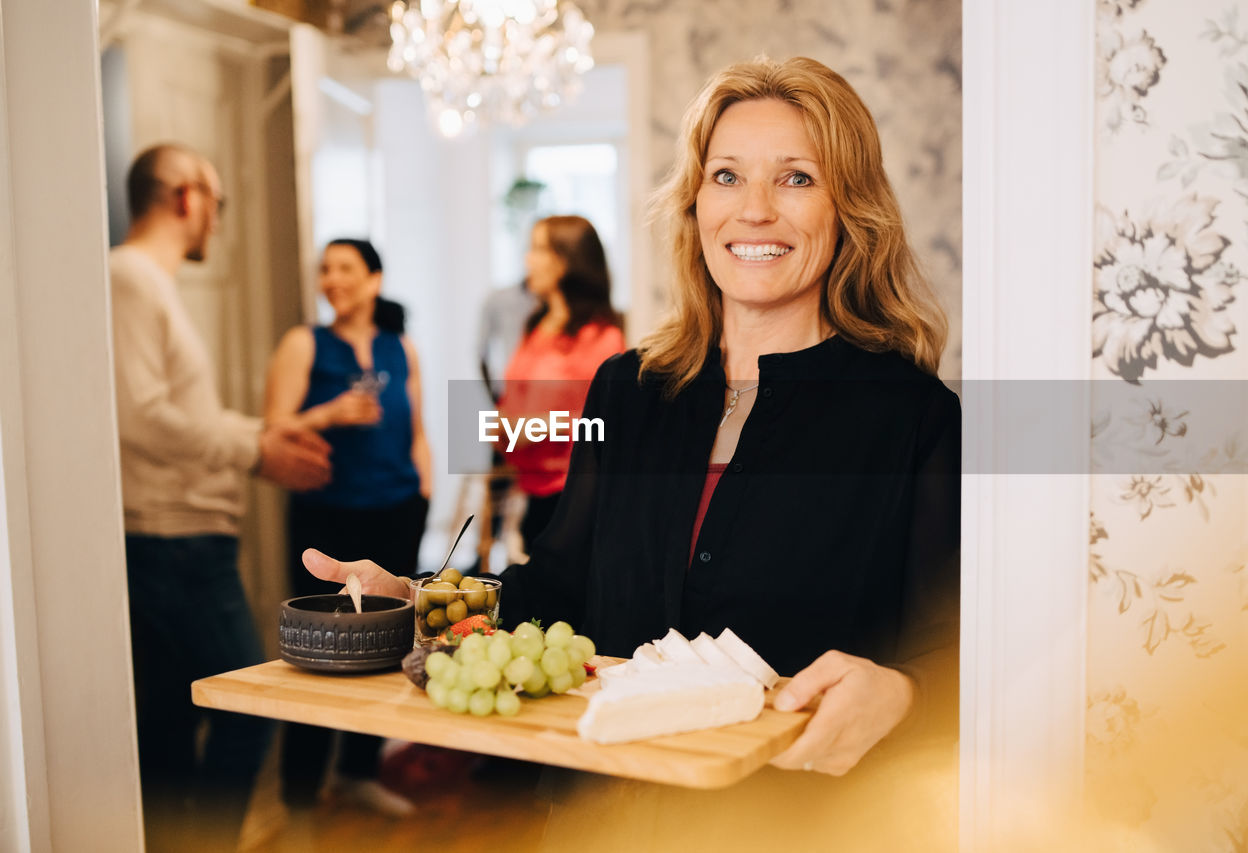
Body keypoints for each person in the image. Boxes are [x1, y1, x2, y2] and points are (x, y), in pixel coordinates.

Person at [304, 56, 959, 846]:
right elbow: (558, 584)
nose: (754, 210)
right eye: (726, 176)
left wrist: (905, 692)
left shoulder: (914, 416)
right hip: (605, 813)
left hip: (795, 824)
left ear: (847, 206)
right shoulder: (627, 390)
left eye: (795, 178)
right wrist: (420, 600)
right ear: (694, 204)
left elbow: (948, 650)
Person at [109, 143, 333, 851]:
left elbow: (176, 416)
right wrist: (254, 447)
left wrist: (263, 436)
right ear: (185, 198)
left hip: (182, 540)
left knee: (171, 725)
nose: (217, 219)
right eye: (217, 201)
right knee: (247, 706)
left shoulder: (148, 283)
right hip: (173, 541)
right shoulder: (131, 279)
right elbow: (140, 416)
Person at [263, 238, 432, 818]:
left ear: (374, 279)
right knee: (316, 649)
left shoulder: (400, 346)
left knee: (384, 645)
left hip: (397, 510)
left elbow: (417, 431)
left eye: (345, 268)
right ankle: (299, 794)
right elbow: (274, 430)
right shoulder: (303, 343)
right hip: (326, 515)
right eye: (325, 269)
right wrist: (330, 413)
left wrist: (423, 493)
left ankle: (360, 771)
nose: (331, 278)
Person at [499, 215, 625, 547]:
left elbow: (605, 423)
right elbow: (514, 399)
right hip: (531, 490)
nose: (528, 259)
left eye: (538, 249)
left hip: (574, 496)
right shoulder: (536, 326)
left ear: (567, 260)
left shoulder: (601, 338)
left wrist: (538, 426)